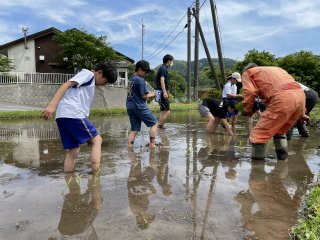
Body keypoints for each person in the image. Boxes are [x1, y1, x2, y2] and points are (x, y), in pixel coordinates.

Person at [42, 62, 118, 173]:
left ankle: (68, 178)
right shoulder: (88, 74)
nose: (103, 85)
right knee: (97, 140)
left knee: (74, 150)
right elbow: (66, 85)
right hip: (72, 113)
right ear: (99, 72)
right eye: (105, 81)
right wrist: (52, 105)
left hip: (63, 115)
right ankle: (95, 177)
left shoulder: (90, 81)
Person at [241, 63, 306, 160]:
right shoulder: (278, 69)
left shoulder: (248, 72)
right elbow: (290, 88)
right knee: (280, 131)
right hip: (301, 97)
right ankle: (282, 162)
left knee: (258, 135)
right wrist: (302, 113)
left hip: (282, 99)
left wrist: (247, 110)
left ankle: (257, 170)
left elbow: (250, 92)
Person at [58, 172, 103, 237]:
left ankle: (92, 180)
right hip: (68, 228)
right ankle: (93, 179)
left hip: (66, 228)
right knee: (96, 203)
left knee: (75, 194)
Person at [126, 60, 158, 148]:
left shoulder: (131, 79)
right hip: (139, 106)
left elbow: (136, 93)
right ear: (140, 70)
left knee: (134, 128)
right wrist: (154, 93)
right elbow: (144, 95)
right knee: (154, 123)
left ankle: (129, 147)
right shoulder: (140, 80)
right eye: (146, 71)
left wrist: (147, 95)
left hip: (130, 106)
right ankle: (152, 144)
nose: (146, 74)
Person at [155, 54, 174, 129]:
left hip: (160, 91)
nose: (172, 63)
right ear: (169, 61)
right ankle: (159, 126)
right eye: (172, 61)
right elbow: (162, 80)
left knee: (163, 111)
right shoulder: (163, 68)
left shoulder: (162, 68)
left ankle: (159, 127)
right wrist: (165, 92)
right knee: (167, 111)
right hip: (162, 91)